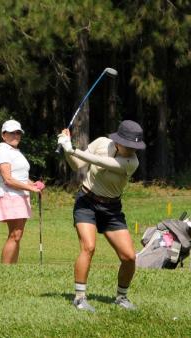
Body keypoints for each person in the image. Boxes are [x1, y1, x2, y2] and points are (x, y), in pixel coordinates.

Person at [57, 120, 146, 312]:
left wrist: (71, 148)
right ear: (118, 141)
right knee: (88, 247)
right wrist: (67, 149)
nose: (132, 150)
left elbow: (101, 162)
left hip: (112, 209)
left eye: (135, 147)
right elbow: (77, 165)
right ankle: (80, 298)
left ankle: (121, 298)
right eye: (129, 146)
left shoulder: (132, 162)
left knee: (129, 257)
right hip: (86, 202)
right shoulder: (101, 143)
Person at [0, 119, 45, 264]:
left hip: (20, 196)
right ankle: (6, 269)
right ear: (3, 135)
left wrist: (33, 184)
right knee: (15, 234)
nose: (16, 135)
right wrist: (30, 188)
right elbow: (8, 179)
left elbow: (20, 178)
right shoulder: (2, 151)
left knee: (17, 234)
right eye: (12, 133)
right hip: (11, 195)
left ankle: (12, 268)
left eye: (18, 133)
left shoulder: (15, 152)